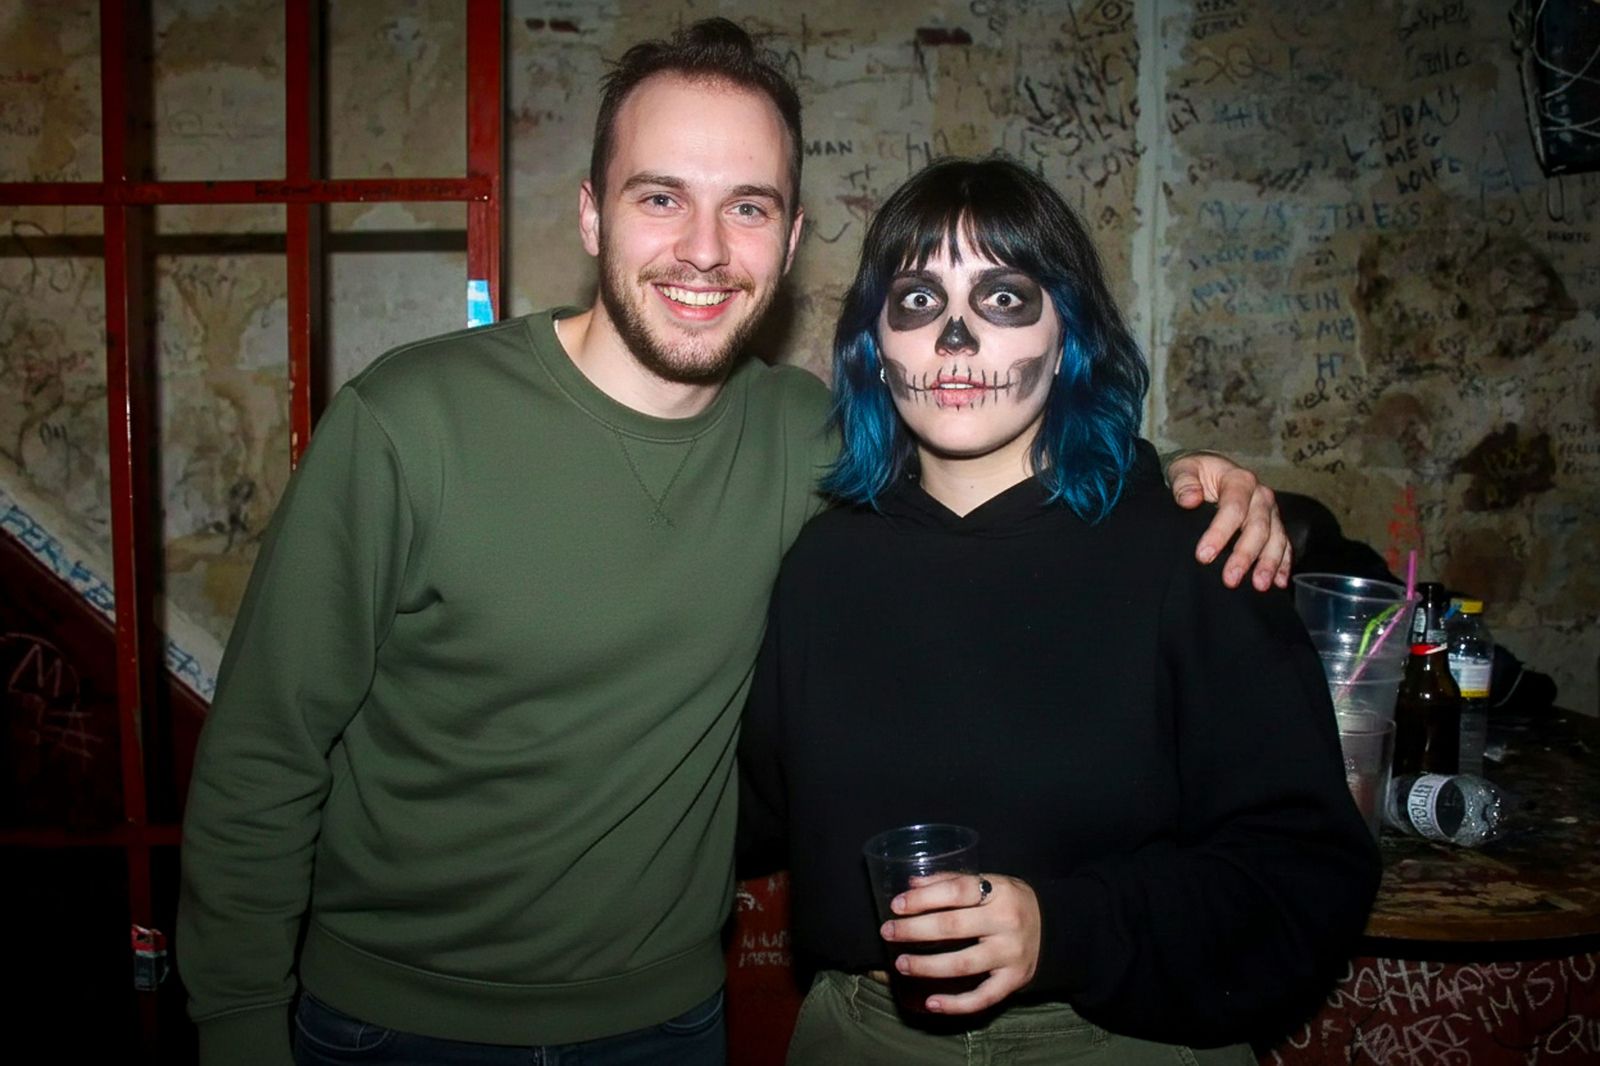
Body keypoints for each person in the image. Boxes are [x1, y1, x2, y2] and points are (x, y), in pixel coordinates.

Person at [177, 20, 1291, 1066]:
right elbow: (264, 758)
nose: (704, 250)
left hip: (665, 1021)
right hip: (394, 1025)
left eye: (748, 207)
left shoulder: (805, 445)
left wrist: (1198, 477)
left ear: (793, 239)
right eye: (661, 196)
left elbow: (1000, 446)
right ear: (591, 216)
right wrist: (234, 1028)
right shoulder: (407, 425)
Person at [737, 157, 1381, 1065]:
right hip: (859, 1035)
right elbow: (733, 812)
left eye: (1002, 299)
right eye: (918, 302)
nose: (954, 342)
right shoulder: (822, 567)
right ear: (874, 344)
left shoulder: (1193, 557)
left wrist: (1063, 929)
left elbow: (1307, 873)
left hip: (1118, 1040)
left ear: (1068, 332)